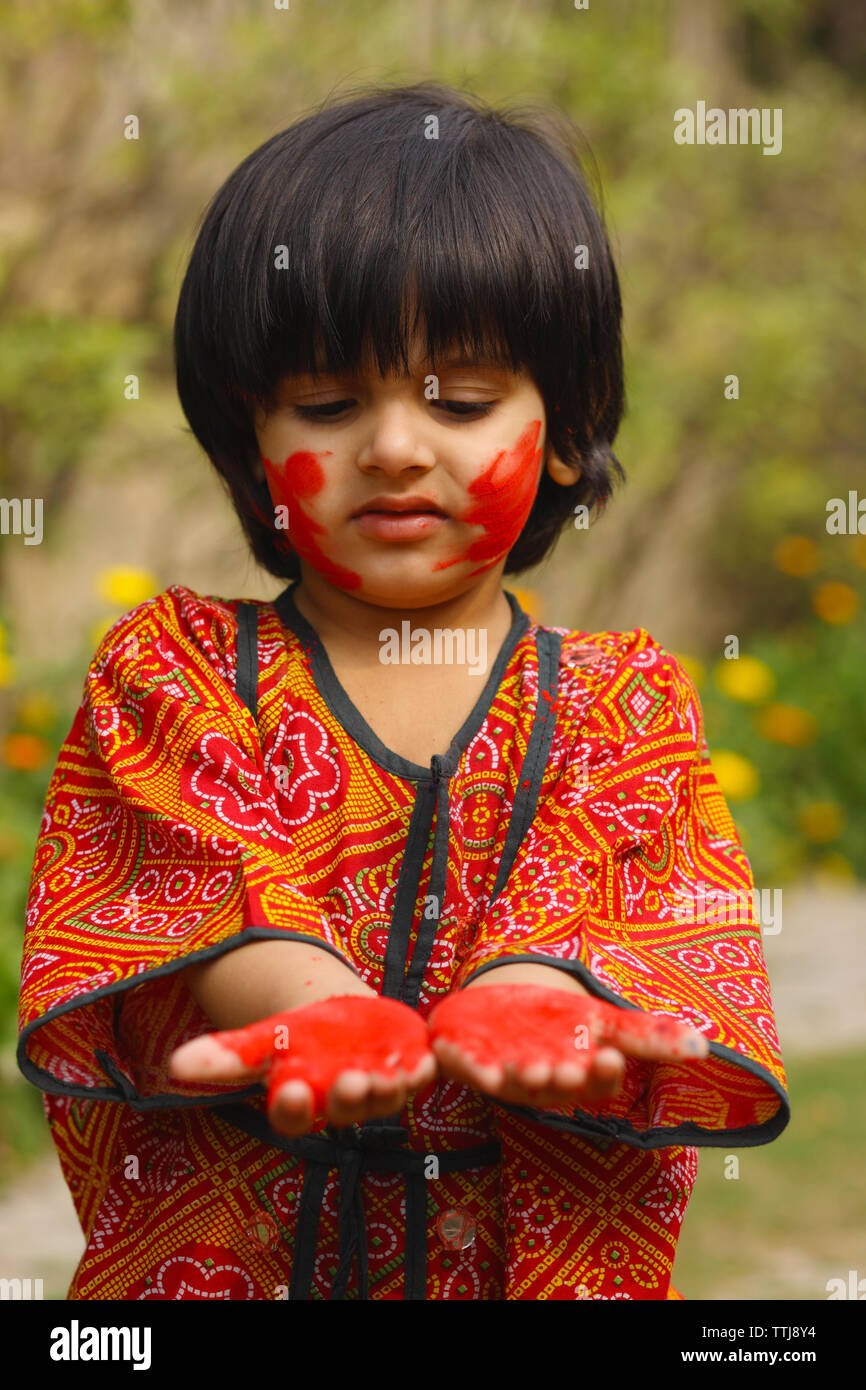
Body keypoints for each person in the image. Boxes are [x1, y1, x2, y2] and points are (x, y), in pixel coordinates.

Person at [18, 81, 789, 1301]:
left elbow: (637, 920)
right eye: (327, 403)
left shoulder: (618, 708)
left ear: (570, 424)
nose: (390, 445)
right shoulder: (174, 675)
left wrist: (528, 997)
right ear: (247, 437)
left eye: (462, 401)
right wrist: (316, 1011)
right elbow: (186, 882)